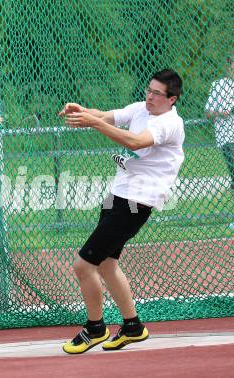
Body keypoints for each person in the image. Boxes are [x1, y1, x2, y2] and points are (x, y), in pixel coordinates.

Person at [59, 68, 184, 353]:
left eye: (157, 94)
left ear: (172, 99)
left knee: (83, 265)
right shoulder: (141, 108)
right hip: (118, 195)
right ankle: (132, 327)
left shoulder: (169, 124)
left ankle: (95, 328)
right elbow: (106, 116)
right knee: (106, 264)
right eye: (149, 90)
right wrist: (84, 113)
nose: (150, 97)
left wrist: (92, 122)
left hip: (137, 202)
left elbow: (134, 141)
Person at [204, 56, 234, 194]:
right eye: (231, 64)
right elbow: (207, 112)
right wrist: (222, 113)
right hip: (226, 136)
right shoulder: (219, 85)